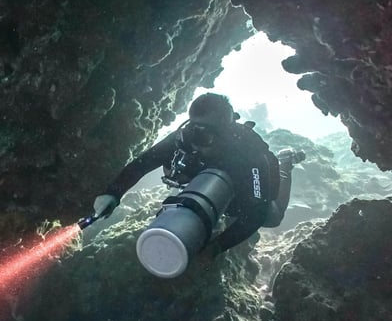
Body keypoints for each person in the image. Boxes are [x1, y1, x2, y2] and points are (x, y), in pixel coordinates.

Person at [92, 93, 303, 260]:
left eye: (206, 135)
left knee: (273, 218)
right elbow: (144, 163)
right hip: (207, 182)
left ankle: (285, 163)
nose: (196, 142)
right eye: (194, 130)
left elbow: (257, 214)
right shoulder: (183, 138)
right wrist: (113, 193)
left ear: (226, 132)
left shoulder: (250, 155)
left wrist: (216, 248)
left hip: (244, 191)